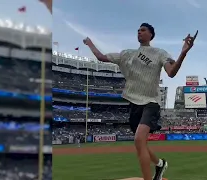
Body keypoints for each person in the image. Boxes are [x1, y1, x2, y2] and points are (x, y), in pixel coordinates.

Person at [83, 23, 197, 180]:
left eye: (143, 30)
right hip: (134, 102)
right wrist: (90, 44)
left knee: (138, 139)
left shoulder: (159, 53)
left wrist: (183, 53)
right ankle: (160, 164)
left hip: (151, 101)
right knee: (140, 144)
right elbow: (101, 57)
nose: (139, 32)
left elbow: (171, 72)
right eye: (138, 30)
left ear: (151, 35)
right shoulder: (127, 54)